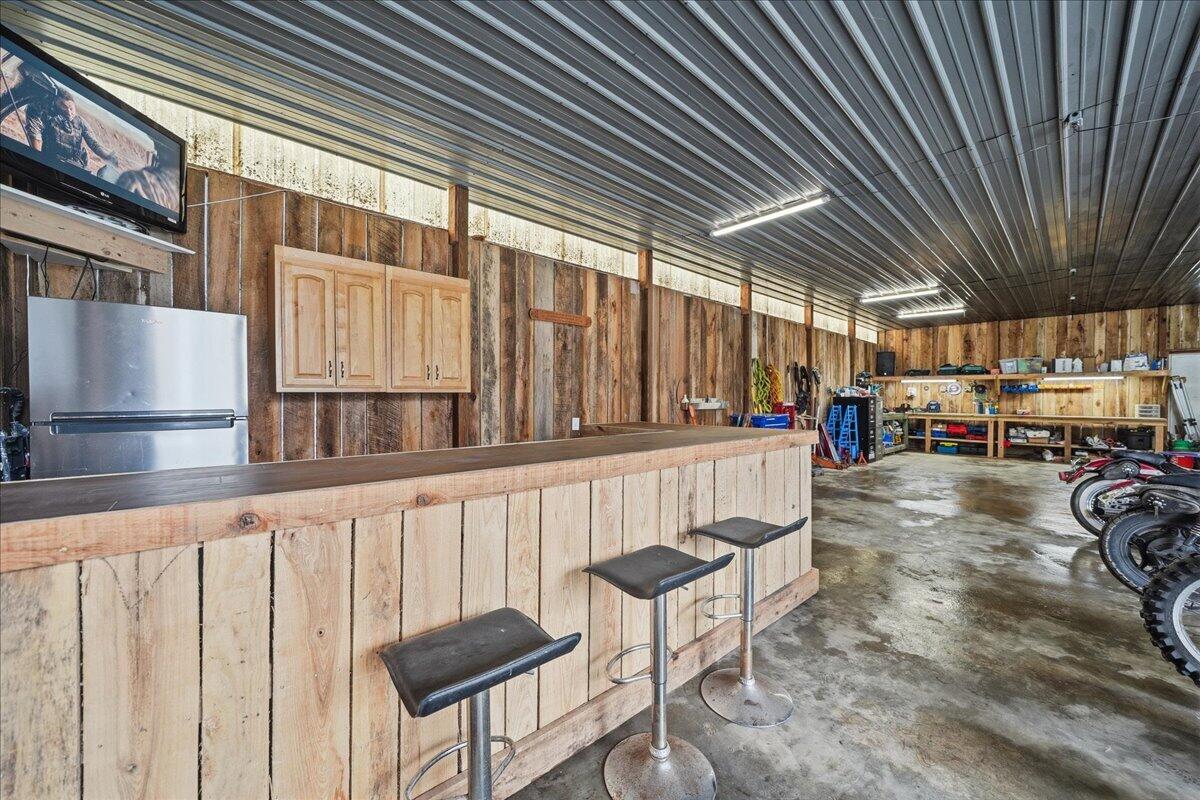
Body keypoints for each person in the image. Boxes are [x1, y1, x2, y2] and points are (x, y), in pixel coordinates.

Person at [25, 89, 116, 173]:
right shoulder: (47, 115)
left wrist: (107, 157)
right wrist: (39, 160)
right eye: (64, 107)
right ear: (57, 105)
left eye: (71, 108)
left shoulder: (80, 122)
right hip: (52, 165)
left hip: (77, 167)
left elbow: (93, 144)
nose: (69, 112)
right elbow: (35, 134)